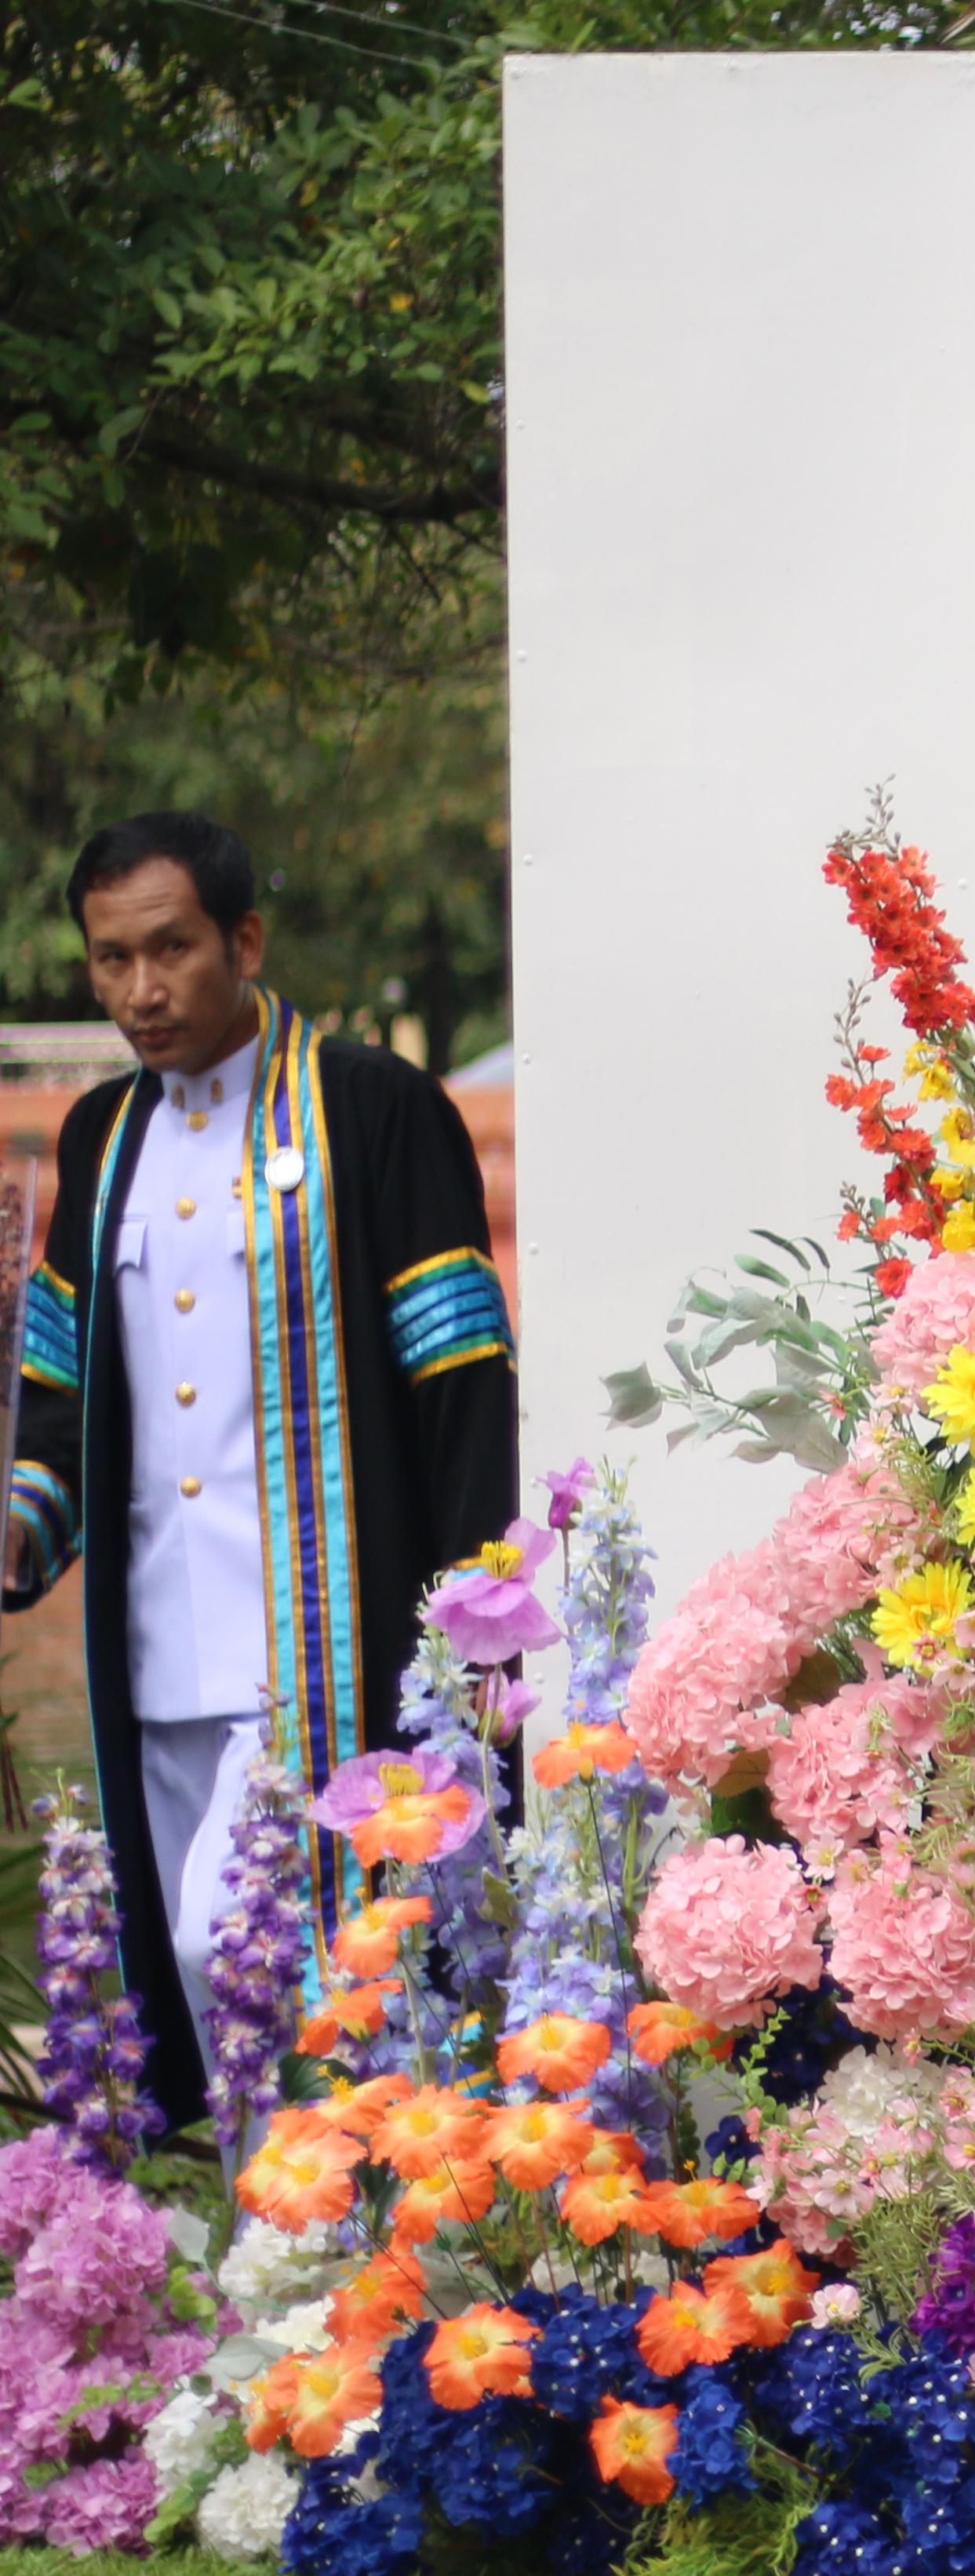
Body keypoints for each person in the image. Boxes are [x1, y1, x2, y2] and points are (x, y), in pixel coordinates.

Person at [9, 812, 518, 2150]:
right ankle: (279, 2296)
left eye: (170, 949)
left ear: (244, 940)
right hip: (159, 1653)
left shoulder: (375, 1110)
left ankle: (334, 2284)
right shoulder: (97, 1139)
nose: (140, 991)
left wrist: (479, 1633)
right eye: (110, 961)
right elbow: (61, 1390)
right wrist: (20, 1529)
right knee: (199, 1991)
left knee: (245, 1952)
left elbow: (462, 1379)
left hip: (331, 1654)